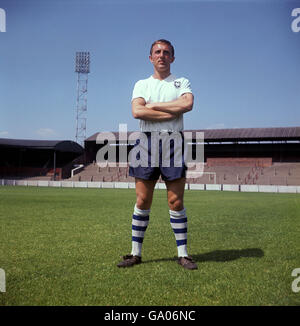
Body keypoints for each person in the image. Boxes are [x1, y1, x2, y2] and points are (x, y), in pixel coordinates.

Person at [117, 39, 197, 270]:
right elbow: (136, 111)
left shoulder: (182, 82)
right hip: (146, 141)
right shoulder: (141, 84)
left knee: (175, 201)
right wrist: (171, 109)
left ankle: (183, 254)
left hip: (174, 141)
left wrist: (152, 107)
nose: (161, 55)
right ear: (150, 57)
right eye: (157, 52)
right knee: (143, 200)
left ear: (172, 57)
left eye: (166, 52)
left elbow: (188, 104)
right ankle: (135, 254)